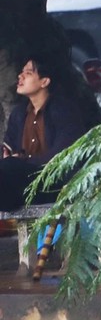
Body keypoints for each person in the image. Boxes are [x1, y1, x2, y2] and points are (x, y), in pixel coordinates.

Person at [0, 56, 89, 210]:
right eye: (21, 72)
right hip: (21, 184)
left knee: (10, 168)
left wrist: (22, 161)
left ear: (44, 82)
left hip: (53, 183)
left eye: (28, 73)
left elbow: (62, 156)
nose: (20, 76)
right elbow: (8, 150)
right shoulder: (19, 114)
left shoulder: (64, 110)